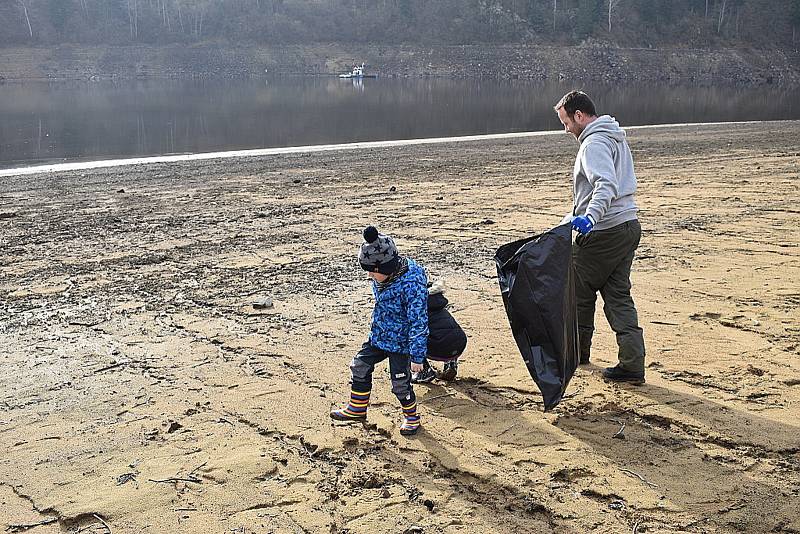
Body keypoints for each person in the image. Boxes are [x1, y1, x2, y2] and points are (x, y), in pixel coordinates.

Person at [553, 90, 646, 384]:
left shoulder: (593, 144)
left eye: (566, 122)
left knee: (578, 292)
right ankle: (632, 365)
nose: (566, 129)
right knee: (618, 296)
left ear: (579, 115)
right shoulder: (615, 136)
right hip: (628, 226)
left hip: (605, 231)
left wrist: (590, 219)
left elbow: (605, 185)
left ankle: (577, 354)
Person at [330, 226, 429, 435]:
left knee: (400, 384)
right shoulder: (382, 274)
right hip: (379, 336)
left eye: (372, 271)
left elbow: (419, 321)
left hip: (400, 344)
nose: (369, 275)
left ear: (386, 267)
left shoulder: (412, 284)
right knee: (359, 365)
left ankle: (411, 417)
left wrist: (418, 357)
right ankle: (357, 408)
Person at [411, 279, 467, 383]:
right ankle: (451, 363)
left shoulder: (417, 309)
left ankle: (424, 372)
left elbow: (416, 336)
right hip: (460, 343)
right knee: (448, 334)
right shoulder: (439, 305)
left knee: (406, 337)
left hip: (440, 347)